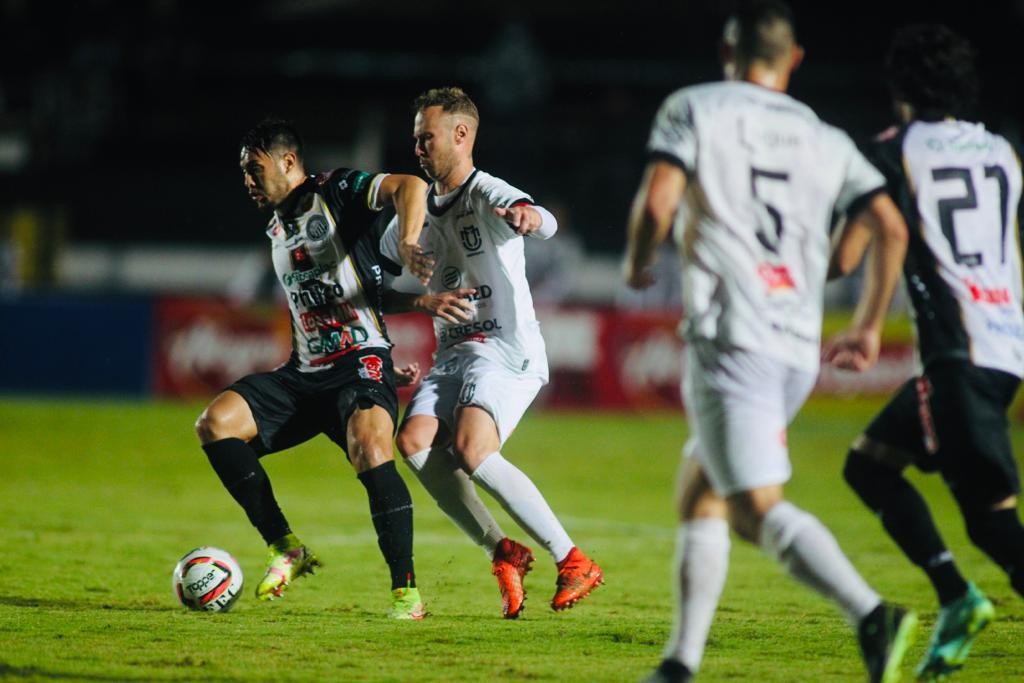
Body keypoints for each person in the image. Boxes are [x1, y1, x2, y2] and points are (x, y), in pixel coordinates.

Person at [623, 3, 915, 681]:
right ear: (795, 59)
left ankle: (872, 613)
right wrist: (869, 322)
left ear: (729, 51)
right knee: (702, 490)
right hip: (795, 343)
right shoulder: (826, 137)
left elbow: (659, 202)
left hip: (733, 338)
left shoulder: (695, 107)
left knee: (755, 510)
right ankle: (679, 663)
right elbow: (890, 226)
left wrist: (640, 260)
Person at [194, 118, 438, 620]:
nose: (246, 180)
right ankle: (285, 547)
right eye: (242, 171)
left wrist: (410, 242)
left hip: (359, 364)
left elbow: (409, 185)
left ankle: (406, 595)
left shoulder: (337, 190)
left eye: (253, 168)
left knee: (372, 449)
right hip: (304, 375)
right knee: (214, 425)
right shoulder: (277, 225)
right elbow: (353, 289)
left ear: (287, 162)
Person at [842, 24, 1024, 681]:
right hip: (1004, 345)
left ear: (900, 89)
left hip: (957, 353)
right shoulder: (1003, 152)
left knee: (994, 525)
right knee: (868, 464)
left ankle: (960, 597)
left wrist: (862, 318)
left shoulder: (895, 150)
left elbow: (862, 246)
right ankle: (957, 597)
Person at [380, 86, 604, 619]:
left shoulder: (483, 190)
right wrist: (413, 298)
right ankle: (503, 551)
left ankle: (571, 558)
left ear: (461, 135)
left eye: (425, 137)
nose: (417, 148)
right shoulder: (415, 214)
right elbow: (375, 276)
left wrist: (529, 217)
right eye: (415, 139)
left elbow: (539, 216)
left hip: (505, 349)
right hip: (454, 354)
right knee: (412, 443)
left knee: (472, 449)